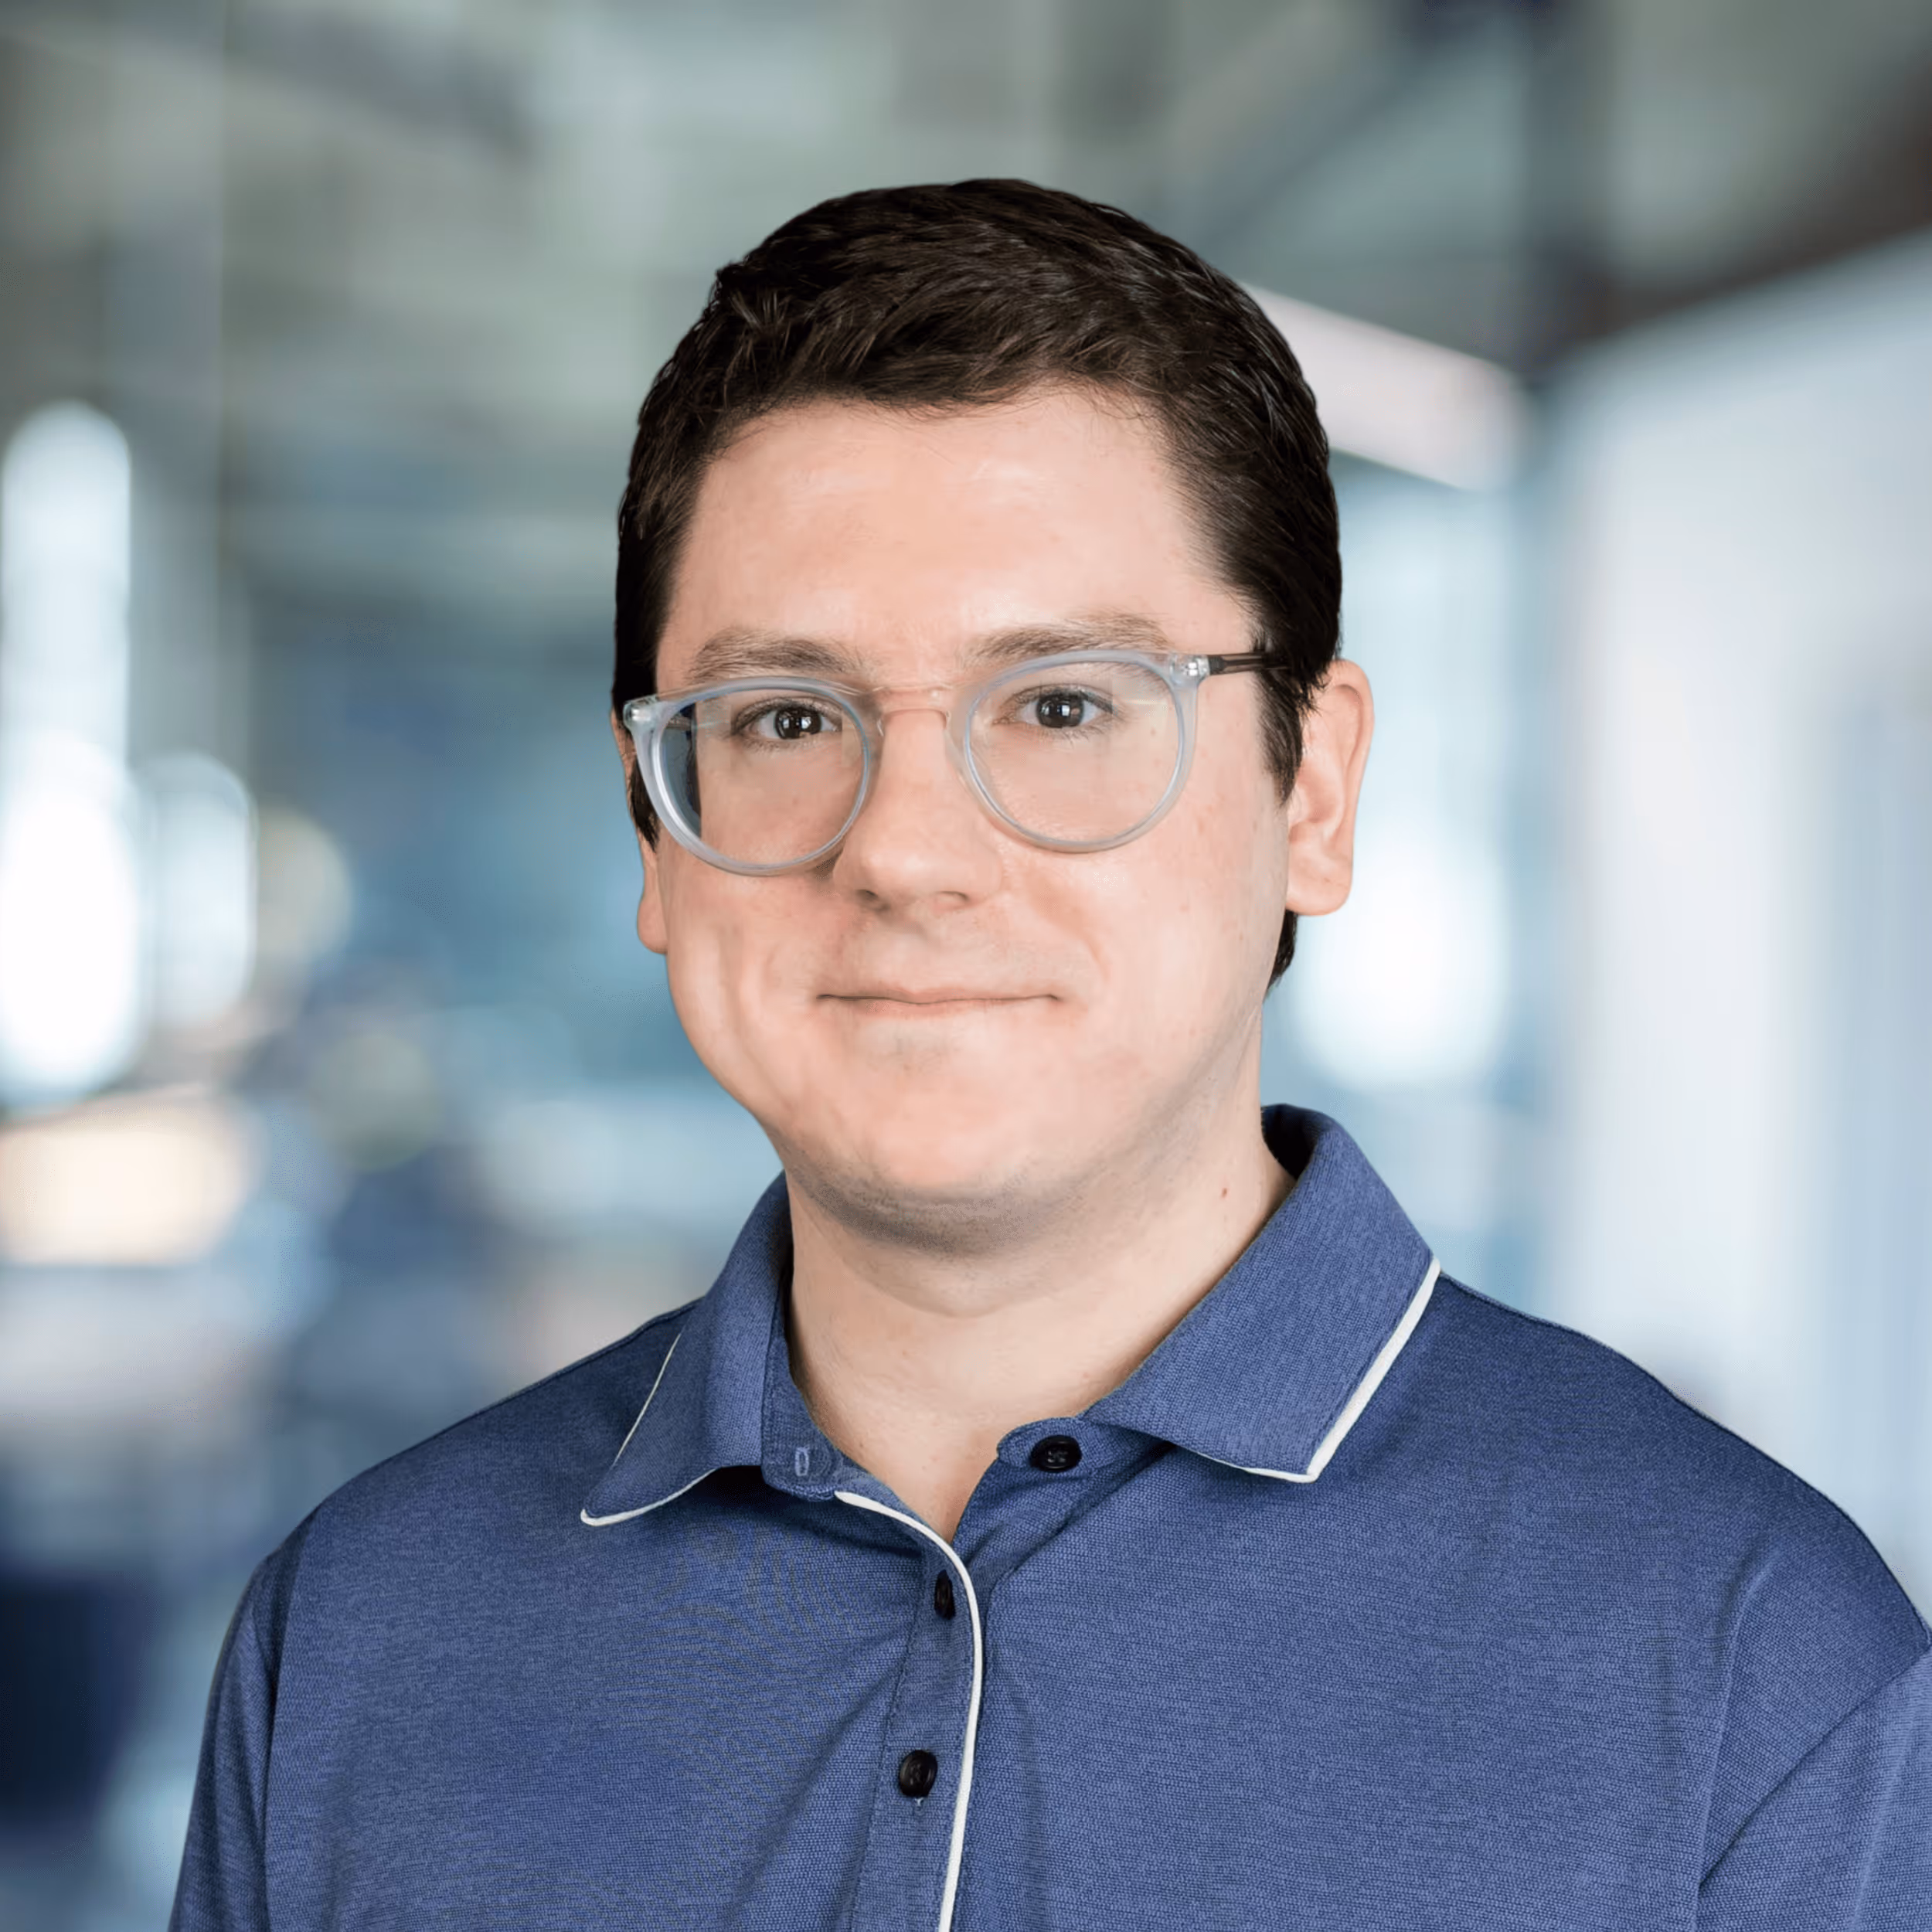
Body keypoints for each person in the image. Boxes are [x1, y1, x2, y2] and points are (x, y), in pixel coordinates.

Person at [172, 180, 1929, 1932]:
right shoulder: (355, 1636)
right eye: (787, 716)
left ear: (1309, 790)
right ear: (654, 831)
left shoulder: (1750, 1668)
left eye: (1066, 703)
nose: (907, 853)